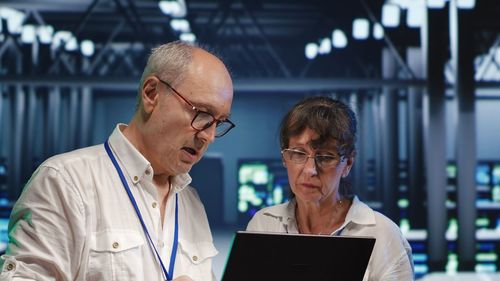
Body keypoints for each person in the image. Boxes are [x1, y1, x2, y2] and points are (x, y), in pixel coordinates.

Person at [0, 41, 235, 281]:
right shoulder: (66, 182)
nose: (209, 135)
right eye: (202, 113)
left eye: (219, 122)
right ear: (152, 93)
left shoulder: (191, 203)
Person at [246, 96, 414, 281]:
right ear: (284, 158)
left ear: (348, 163)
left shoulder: (382, 234)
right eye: (298, 153)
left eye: (325, 157)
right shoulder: (265, 225)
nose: (310, 170)